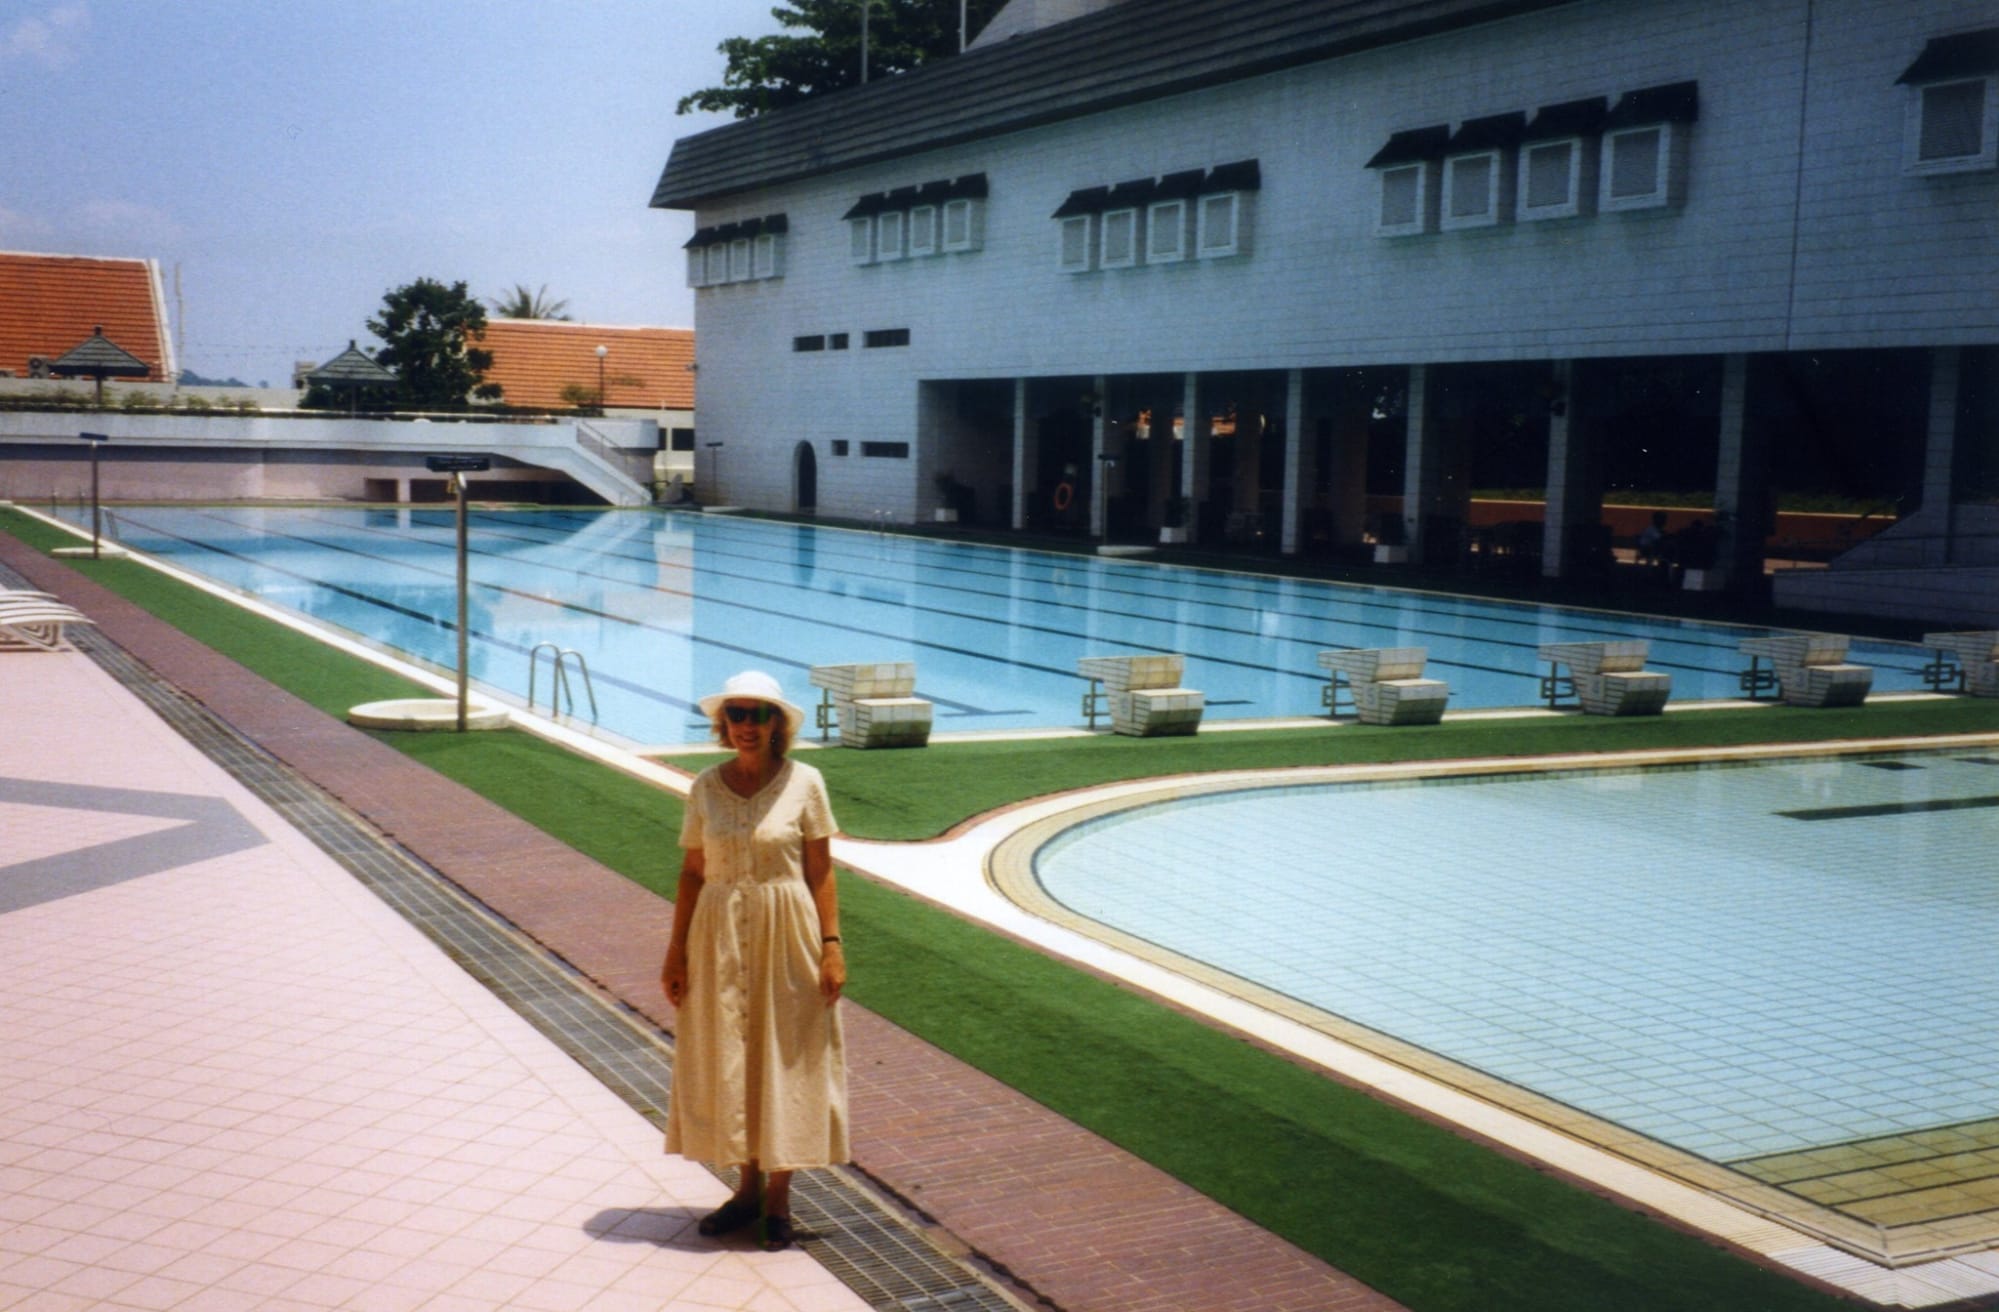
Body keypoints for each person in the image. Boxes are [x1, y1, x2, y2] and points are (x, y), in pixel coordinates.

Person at [661, 670, 848, 1252]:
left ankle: (777, 1200)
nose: (746, 725)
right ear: (724, 724)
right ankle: (744, 1191)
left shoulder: (806, 782)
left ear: (777, 725)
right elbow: (693, 871)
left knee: (785, 1057)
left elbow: (820, 870)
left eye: (758, 714)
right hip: (716, 936)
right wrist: (675, 951)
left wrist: (832, 946)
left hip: (787, 933)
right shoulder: (704, 787)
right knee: (731, 1058)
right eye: (736, 714)